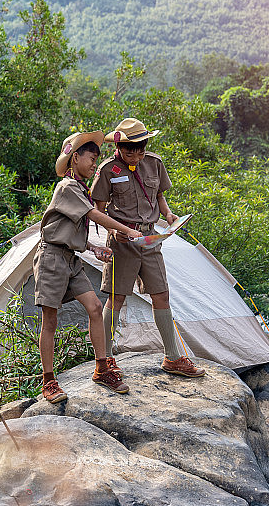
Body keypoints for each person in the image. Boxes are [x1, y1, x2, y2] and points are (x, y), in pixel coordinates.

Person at [34, 131, 144, 404]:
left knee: (95, 308)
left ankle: (102, 367)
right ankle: (49, 381)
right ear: (75, 158)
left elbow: (73, 228)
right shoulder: (67, 187)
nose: (95, 164)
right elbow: (94, 214)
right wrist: (127, 230)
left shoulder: (80, 189)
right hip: (52, 259)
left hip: (71, 259)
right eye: (92, 159)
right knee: (50, 320)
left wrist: (94, 248)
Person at [91, 118, 206, 378]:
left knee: (161, 294)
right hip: (122, 242)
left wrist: (168, 214)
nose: (136, 153)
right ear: (118, 147)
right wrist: (113, 231)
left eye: (140, 148)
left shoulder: (154, 163)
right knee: (117, 298)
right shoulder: (109, 170)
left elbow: (159, 197)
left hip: (151, 240)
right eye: (129, 149)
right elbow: (98, 210)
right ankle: (106, 359)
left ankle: (173, 358)